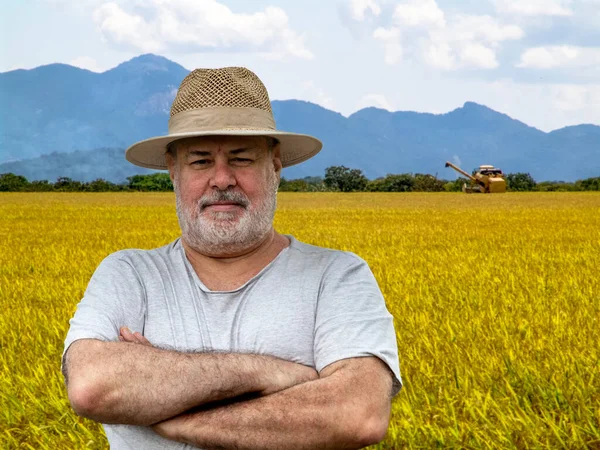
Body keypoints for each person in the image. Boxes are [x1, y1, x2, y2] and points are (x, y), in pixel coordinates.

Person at [62, 67, 402, 450]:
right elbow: (93, 386)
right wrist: (269, 372)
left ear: (274, 166)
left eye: (241, 159)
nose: (221, 179)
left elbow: (358, 414)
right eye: (201, 161)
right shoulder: (129, 274)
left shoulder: (337, 276)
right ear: (174, 171)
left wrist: (170, 415)